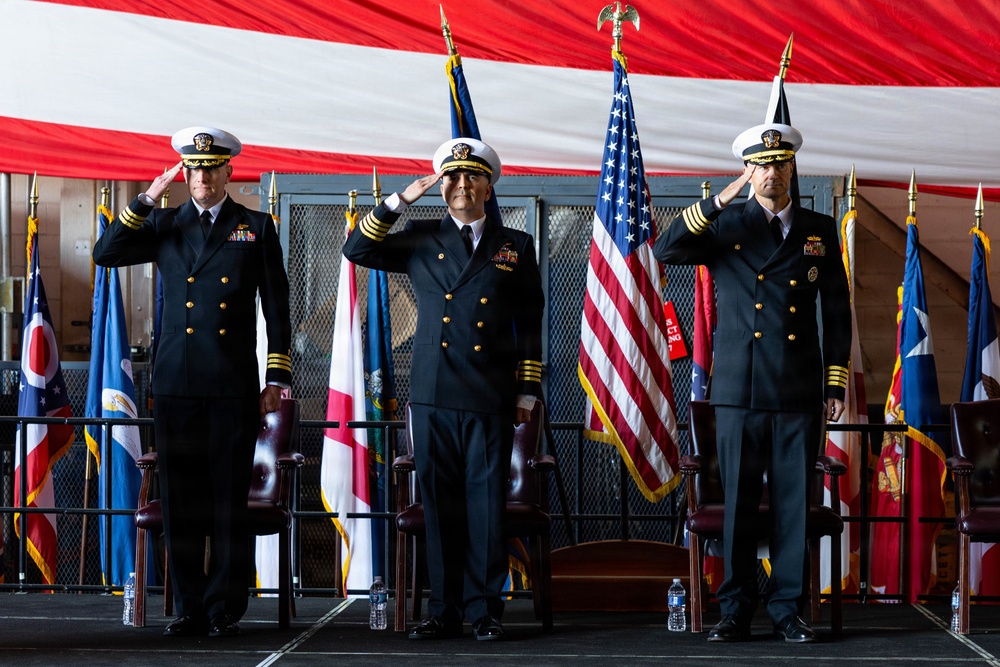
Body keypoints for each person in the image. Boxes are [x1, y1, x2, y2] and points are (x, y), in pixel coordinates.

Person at [653, 122, 851, 643]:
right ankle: (736, 609)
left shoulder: (819, 228)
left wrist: (833, 383)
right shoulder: (726, 224)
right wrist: (719, 202)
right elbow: (666, 249)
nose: (770, 173)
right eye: (760, 165)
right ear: (749, 171)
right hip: (738, 392)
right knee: (738, 504)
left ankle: (788, 608)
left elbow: (836, 308)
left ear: (792, 168)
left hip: (797, 389)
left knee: (792, 504)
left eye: (779, 163)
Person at [93, 127, 292, 638]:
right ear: (185, 173)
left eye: (211, 168)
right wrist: (145, 198)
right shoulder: (164, 222)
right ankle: (188, 606)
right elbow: (105, 252)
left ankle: (226, 605)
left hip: (231, 383)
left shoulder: (255, 226)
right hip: (178, 383)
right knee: (181, 502)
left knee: (228, 499)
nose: (202, 176)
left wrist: (276, 376)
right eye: (194, 168)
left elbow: (277, 306)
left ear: (229, 172)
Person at [343, 138, 543, 641]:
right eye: (452, 178)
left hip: (490, 396)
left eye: (472, 176)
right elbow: (357, 248)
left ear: (488, 185)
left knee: (485, 506)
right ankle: (443, 609)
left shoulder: (513, 245)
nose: (461, 185)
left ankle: (485, 611)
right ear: (443, 186)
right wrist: (401, 200)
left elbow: (531, 319)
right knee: (440, 505)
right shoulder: (420, 237)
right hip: (433, 395)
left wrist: (527, 390)